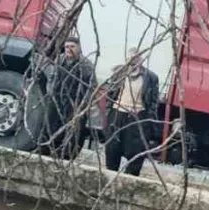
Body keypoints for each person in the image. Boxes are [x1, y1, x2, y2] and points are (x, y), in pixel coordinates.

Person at [104, 47, 159, 177]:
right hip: (118, 114)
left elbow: (153, 102)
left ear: (141, 60)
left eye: (136, 59)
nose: (133, 62)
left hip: (137, 117)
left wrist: (149, 120)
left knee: (135, 153)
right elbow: (110, 95)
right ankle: (109, 178)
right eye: (130, 59)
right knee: (112, 150)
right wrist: (109, 114)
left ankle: (130, 180)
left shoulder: (151, 77)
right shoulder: (119, 73)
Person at [45, 37, 96, 158]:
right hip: (57, 100)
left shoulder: (86, 65)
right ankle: (48, 151)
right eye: (67, 47)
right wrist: (50, 91)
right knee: (51, 125)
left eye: (72, 47)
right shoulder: (60, 59)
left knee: (74, 132)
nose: (69, 49)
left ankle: (67, 157)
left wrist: (83, 104)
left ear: (79, 48)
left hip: (75, 103)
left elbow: (92, 87)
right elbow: (51, 77)